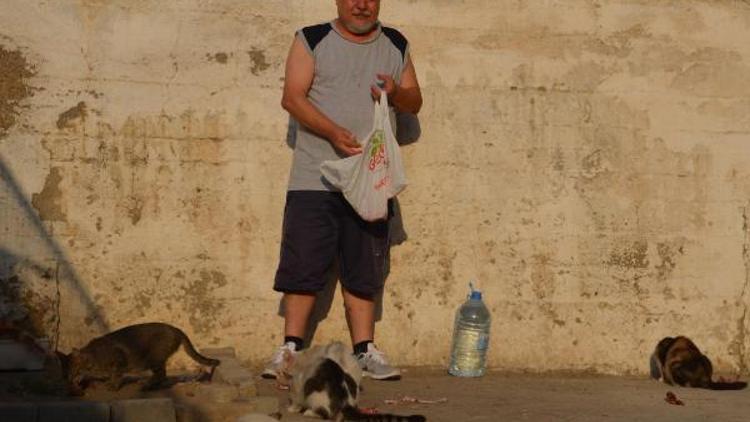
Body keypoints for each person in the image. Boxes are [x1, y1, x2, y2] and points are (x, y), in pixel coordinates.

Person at [262, 0, 422, 381]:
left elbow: (414, 102)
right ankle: (290, 349)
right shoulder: (311, 39)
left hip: (371, 180)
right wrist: (333, 132)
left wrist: (396, 90)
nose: (361, 5)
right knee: (302, 264)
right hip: (314, 177)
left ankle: (365, 351)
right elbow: (292, 98)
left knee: (365, 265)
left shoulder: (396, 43)